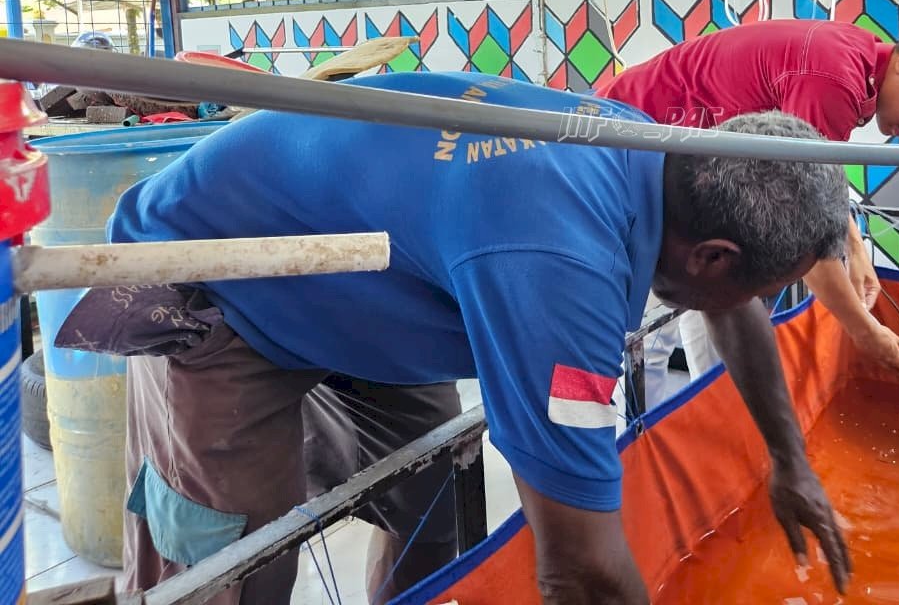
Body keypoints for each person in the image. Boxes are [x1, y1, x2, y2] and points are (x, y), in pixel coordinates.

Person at [57, 71, 853, 605]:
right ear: (713, 257)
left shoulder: (660, 158)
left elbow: (732, 301)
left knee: (435, 492)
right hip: (224, 270)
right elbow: (578, 565)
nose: (748, 303)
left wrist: (790, 461)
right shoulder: (558, 267)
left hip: (371, 267)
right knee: (234, 558)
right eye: (756, 284)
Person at [599, 20, 899, 378]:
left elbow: (820, 180)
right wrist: (865, 332)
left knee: (690, 303)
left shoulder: (856, 58)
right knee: (641, 332)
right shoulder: (836, 79)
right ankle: (638, 445)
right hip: (618, 146)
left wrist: (857, 251)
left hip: (667, 162)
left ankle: (699, 427)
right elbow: (804, 225)